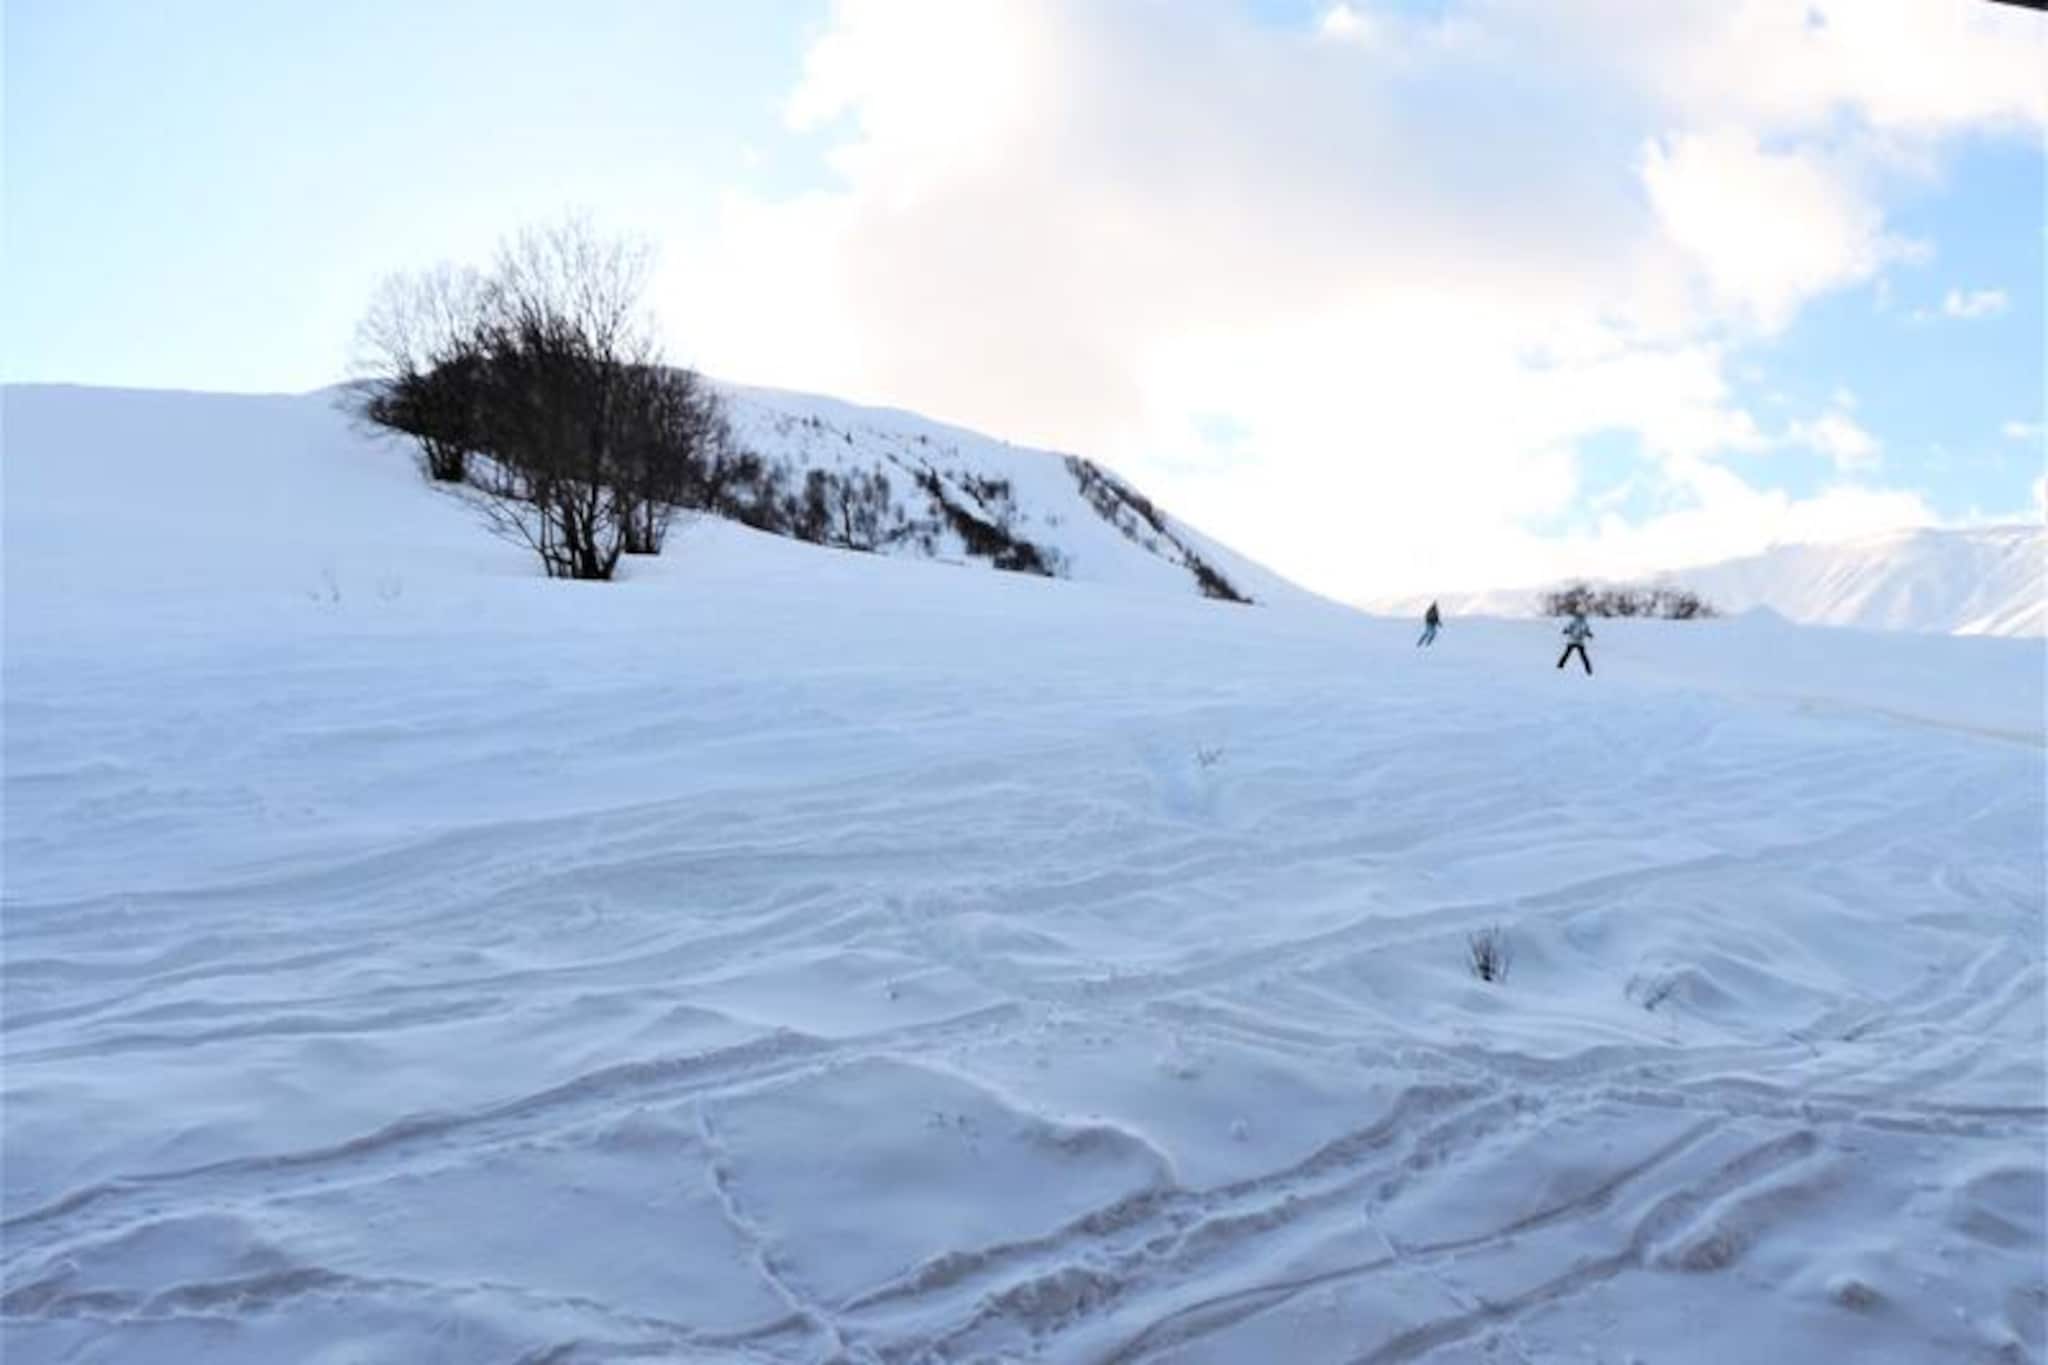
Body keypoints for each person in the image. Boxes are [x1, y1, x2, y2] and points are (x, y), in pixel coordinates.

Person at [1557, 610, 1593, 675]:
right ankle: (1588, 670)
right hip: (1575, 641)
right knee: (1569, 654)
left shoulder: (1580, 623)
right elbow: (1569, 629)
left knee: (1579, 656)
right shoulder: (1577, 623)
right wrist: (1566, 631)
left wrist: (1589, 634)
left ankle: (1560, 666)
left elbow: (1585, 631)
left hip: (1576, 641)